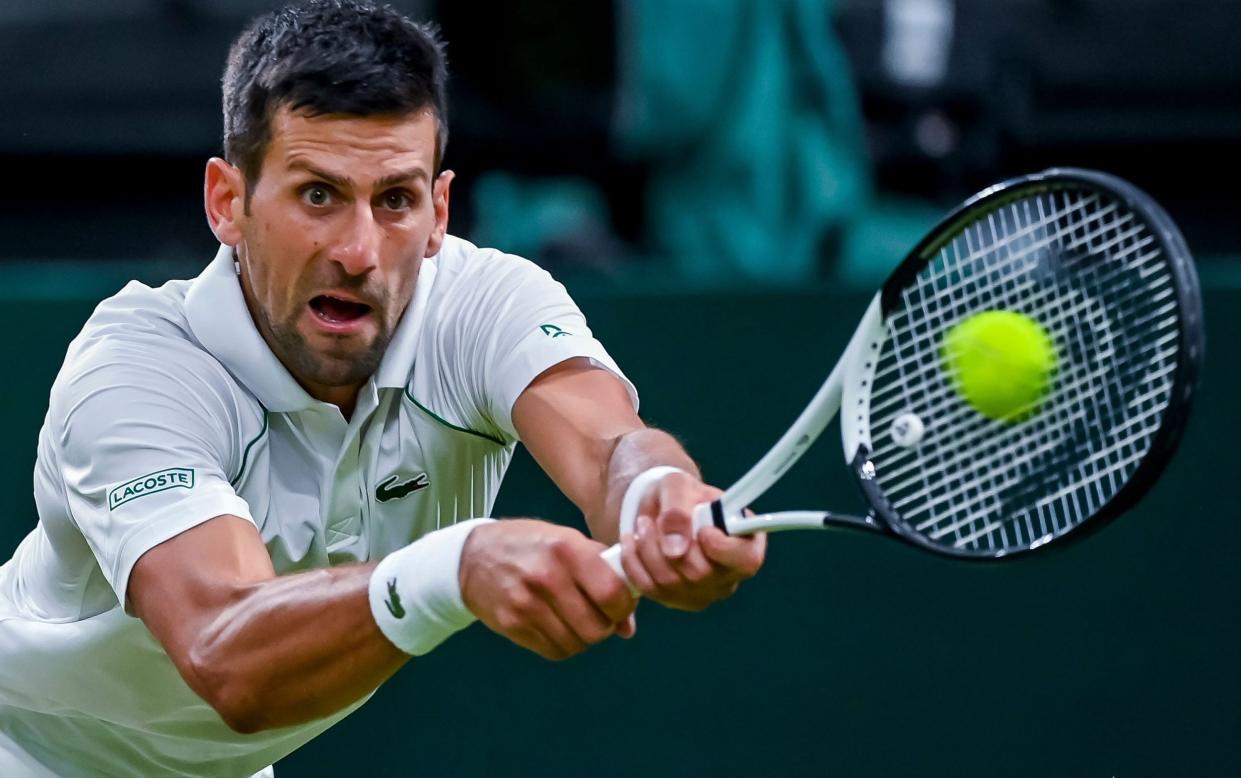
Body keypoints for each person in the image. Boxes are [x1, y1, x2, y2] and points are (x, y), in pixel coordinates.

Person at [0, 1, 766, 775]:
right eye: (318, 195)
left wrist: (656, 497)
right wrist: (453, 567)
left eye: (395, 200)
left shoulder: (484, 304)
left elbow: (610, 449)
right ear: (228, 203)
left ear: (438, 211)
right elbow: (224, 653)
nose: (359, 251)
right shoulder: (136, 370)